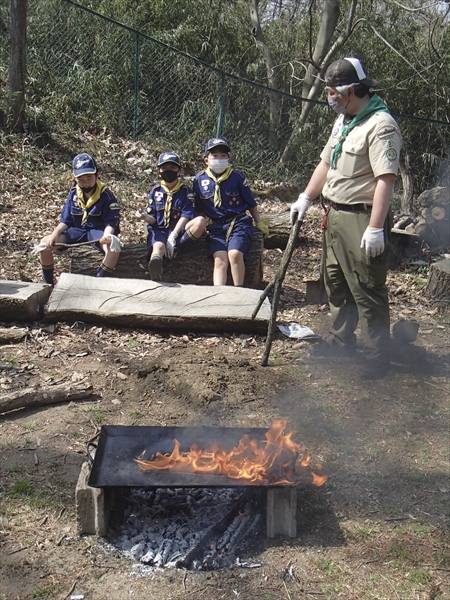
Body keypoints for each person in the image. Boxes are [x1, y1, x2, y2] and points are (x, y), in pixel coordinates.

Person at [290, 57, 401, 379]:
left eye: (332, 92)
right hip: (335, 214)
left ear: (350, 90)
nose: (329, 98)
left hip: (363, 219)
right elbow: (326, 163)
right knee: (336, 283)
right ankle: (341, 343)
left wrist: (377, 228)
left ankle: (377, 355)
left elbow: (385, 179)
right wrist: (306, 197)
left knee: (366, 286)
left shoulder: (380, 125)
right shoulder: (345, 121)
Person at [192, 137, 268, 286]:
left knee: (235, 254)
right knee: (220, 260)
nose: (219, 158)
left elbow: (250, 202)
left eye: (223, 155)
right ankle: (220, 296)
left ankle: (239, 291)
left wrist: (259, 222)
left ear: (228, 158)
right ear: (206, 160)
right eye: (214, 155)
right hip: (216, 228)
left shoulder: (237, 177)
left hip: (238, 223)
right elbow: (199, 209)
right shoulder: (199, 181)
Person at [38, 153, 121, 285]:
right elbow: (66, 220)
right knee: (44, 244)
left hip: (97, 232)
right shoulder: (74, 194)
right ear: (75, 179)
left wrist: (107, 235)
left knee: (113, 249)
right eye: (81, 179)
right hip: (78, 231)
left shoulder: (106, 195)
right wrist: (54, 234)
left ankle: (97, 283)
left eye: (89, 178)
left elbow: (112, 221)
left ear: (97, 175)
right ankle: (47, 285)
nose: (86, 183)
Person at [138, 151, 206, 281]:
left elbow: (186, 215)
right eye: (165, 168)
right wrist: (146, 217)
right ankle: (156, 270)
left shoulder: (185, 191)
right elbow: (152, 220)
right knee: (158, 247)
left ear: (179, 171)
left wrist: (173, 236)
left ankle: (174, 250)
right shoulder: (155, 191)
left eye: (172, 168)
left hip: (178, 231)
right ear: (159, 171)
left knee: (200, 222)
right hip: (159, 230)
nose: (168, 171)